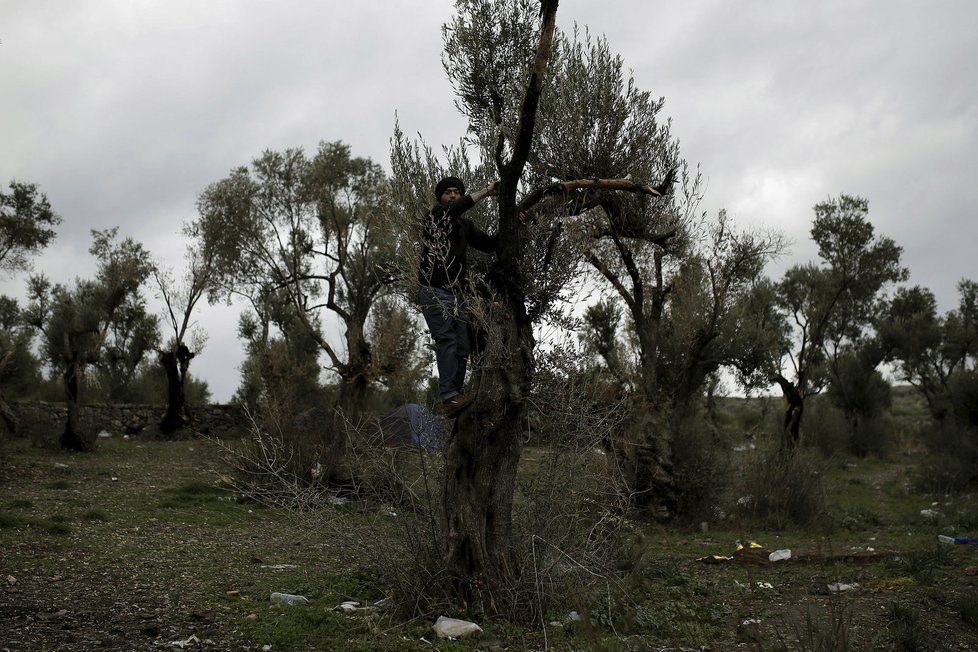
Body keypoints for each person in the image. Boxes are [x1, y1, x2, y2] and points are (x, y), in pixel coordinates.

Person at [418, 176, 500, 415]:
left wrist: (515, 222)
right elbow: (455, 208)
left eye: (456, 192)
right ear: (440, 198)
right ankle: (449, 395)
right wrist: (486, 191)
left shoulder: (465, 226)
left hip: (457, 294)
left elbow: (489, 244)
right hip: (433, 290)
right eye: (448, 193)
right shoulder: (436, 216)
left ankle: (455, 397)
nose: (452, 196)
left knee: (463, 345)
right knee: (447, 339)